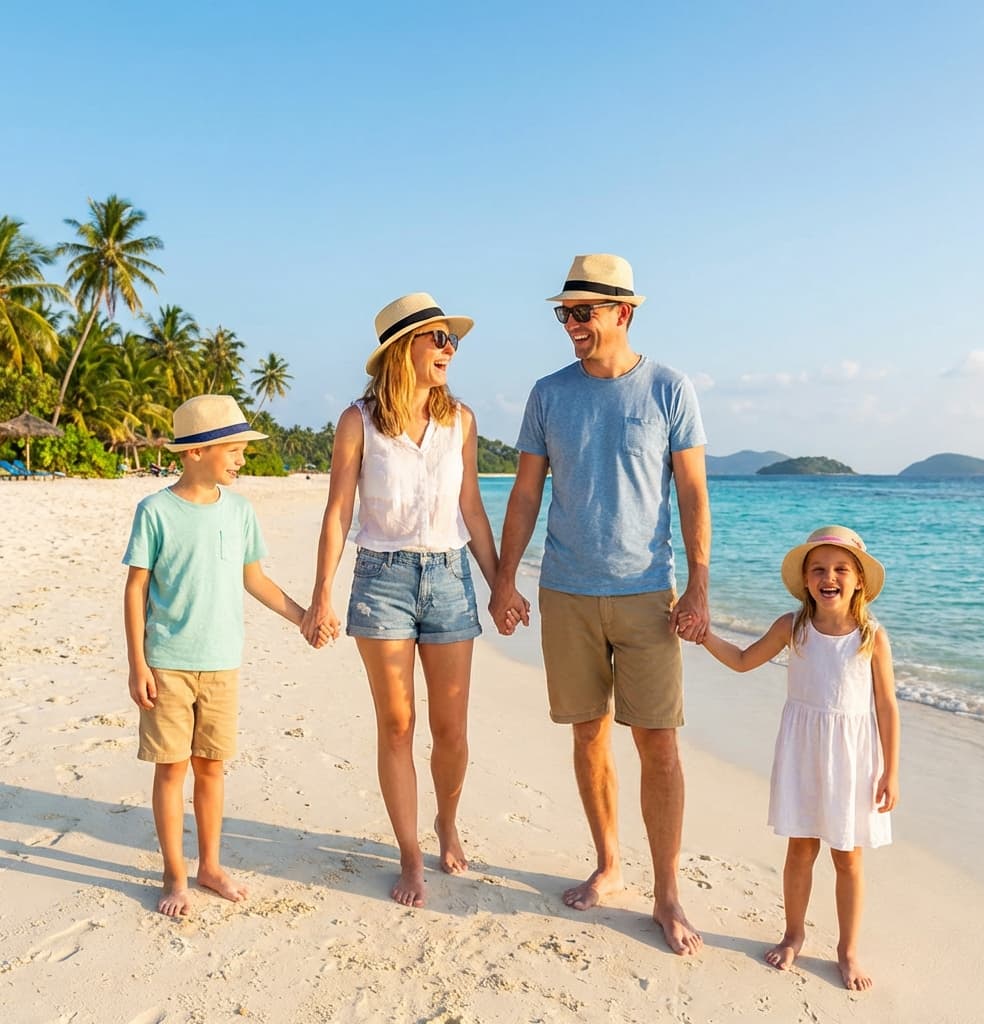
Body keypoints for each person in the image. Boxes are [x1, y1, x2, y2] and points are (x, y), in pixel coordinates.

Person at [488, 254, 711, 955]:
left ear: (624, 312)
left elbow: (693, 493)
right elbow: (526, 492)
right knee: (588, 734)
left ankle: (667, 892)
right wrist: (504, 579)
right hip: (567, 592)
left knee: (659, 744)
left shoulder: (670, 388)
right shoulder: (548, 394)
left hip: (648, 594)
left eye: (582, 312)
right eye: (565, 313)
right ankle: (610, 864)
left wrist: (700, 583)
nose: (571, 325)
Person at [301, 292, 523, 908]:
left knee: (451, 729)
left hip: (450, 578)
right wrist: (321, 596)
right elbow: (338, 512)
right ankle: (408, 853)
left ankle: (446, 822)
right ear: (405, 348)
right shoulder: (358, 421)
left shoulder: (461, 420)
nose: (450, 349)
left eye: (453, 340)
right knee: (397, 724)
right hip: (382, 581)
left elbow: (471, 509)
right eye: (439, 338)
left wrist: (500, 584)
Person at [123, 394, 320, 917]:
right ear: (195, 452)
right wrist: (137, 663)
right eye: (232, 450)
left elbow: (255, 579)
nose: (241, 459)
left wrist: (303, 617)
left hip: (222, 663)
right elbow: (135, 588)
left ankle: (210, 865)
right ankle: (174, 875)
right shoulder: (155, 511)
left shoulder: (240, 511)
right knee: (171, 770)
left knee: (212, 766)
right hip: (166, 663)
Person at [697, 525, 900, 991]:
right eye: (819, 569)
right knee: (801, 850)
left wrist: (891, 771)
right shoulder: (793, 627)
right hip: (804, 753)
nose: (830, 577)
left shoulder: (871, 636)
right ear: (806, 580)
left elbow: (887, 706)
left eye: (841, 569)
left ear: (859, 581)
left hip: (852, 759)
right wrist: (705, 636)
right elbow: (744, 660)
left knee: (848, 857)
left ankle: (848, 949)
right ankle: (793, 935)